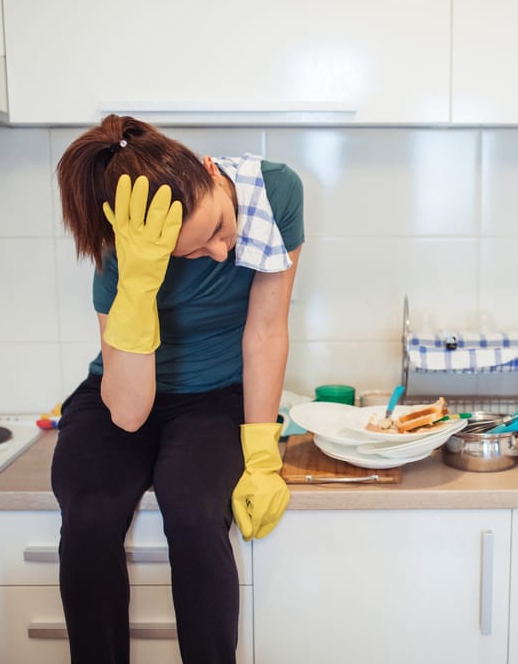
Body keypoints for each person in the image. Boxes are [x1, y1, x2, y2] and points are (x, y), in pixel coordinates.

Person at [51, 114, 303, 664]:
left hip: (215, 396)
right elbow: (129, 413)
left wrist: (262, 455)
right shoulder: (120, 252)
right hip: (121, 394)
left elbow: (264, 332)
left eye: (217, 228)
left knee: (193, 514)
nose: (218, 251)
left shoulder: (277, 190)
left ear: (211, 171)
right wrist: (139, 282)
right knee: (89, 518)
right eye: (190, 253)